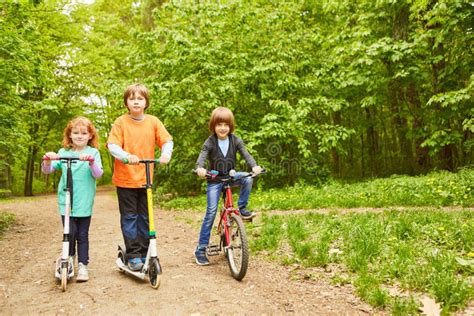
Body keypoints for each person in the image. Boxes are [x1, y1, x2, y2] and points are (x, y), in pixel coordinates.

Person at [107, 83, 173, 271]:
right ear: (126, 103)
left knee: (145, 218)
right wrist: (126, 156)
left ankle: (146, 252)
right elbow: (112, 146)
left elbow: (167, 140)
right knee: (130, 218)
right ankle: (134, 254)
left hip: (146, 180)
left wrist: (166, 154)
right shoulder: (121, 122)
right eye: (132, 98)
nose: (136, 102)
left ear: (146, 102)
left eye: (140, 98)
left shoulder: (153, 122)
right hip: (125, 179)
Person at [194, 106, 262, 265]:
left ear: (230, 126)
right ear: (213, 126)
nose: (223, 128)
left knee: (247, 178)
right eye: (219, 124)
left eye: (226, 125)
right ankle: (201, 249)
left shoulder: (235, 140)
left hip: (231, 177)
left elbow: (246, 154)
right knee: (210, 212)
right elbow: (202, 156)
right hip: (215, 180)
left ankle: (242, 208)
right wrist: (200, 168)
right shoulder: (210, 141)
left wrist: (254, 166)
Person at [42, 116, 103, 282]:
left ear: (90, 135)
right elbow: (48, 170)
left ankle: (83, 265)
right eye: (75, 132)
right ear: (70, 135)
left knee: (82, 234)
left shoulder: (93, 153)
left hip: (84, 201)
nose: (80, 136)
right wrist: (47, 160)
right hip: (66, 200)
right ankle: (68, 260)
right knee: (68, 232)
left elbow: (98, 174)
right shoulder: (63, 153)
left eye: (84, 133)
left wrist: (91, 163)